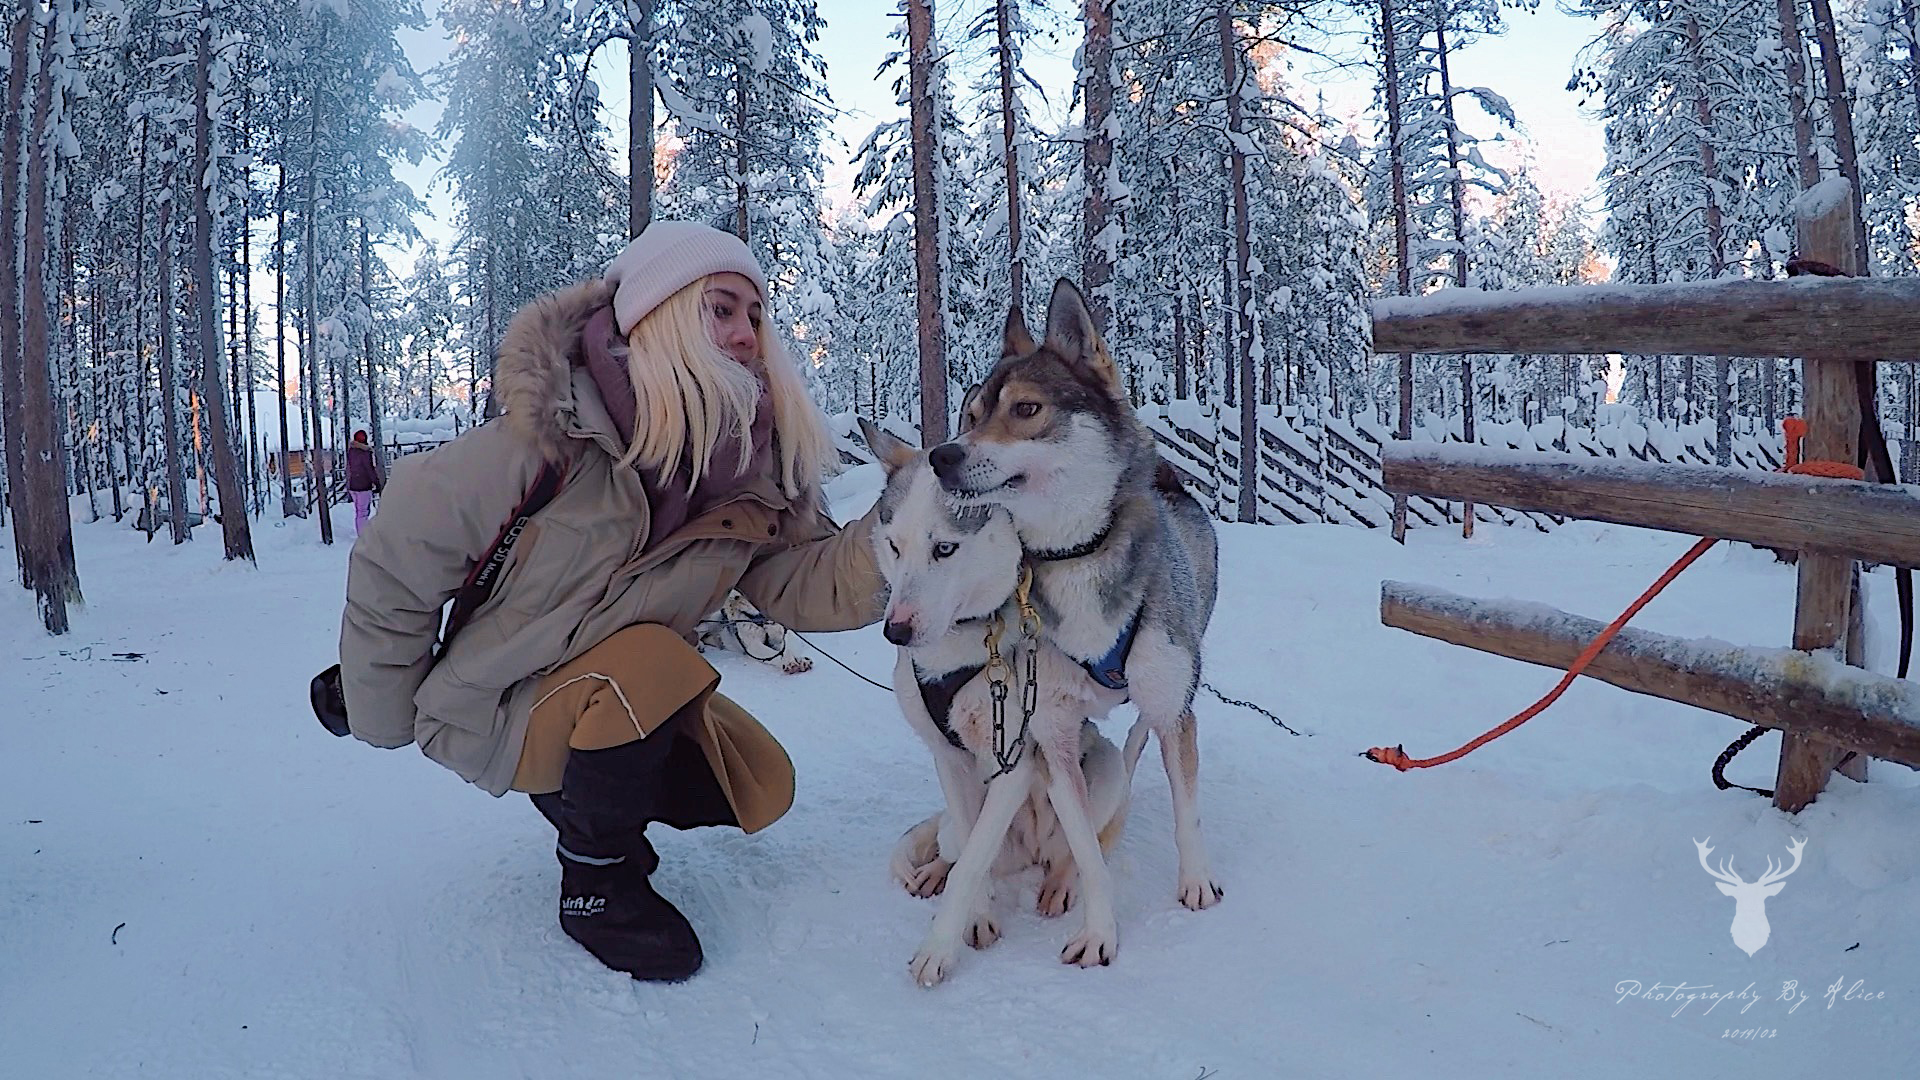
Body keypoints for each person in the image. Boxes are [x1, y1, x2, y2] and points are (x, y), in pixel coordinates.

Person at [337, 222, 886, 981]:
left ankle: (586, 803)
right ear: (659, 318)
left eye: (756, 317)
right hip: (491, 703)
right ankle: (597, 883)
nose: (745, 335)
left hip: (594, 695)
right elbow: (398, 559)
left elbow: (803, 581)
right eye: (720, 310)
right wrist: (382, 711)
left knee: (757, 777)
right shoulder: (551, 437)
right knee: (652, 664)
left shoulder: (750, 476)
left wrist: (904, 535)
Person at [345, 430, 383, 534]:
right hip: (364, 486)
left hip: (353, 485)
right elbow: (369, 469)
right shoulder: (366, 452)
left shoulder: (351, 451)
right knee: (363, 512)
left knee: (359, 511)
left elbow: (348, 468)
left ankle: (360, 531)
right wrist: (376, 482)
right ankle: (362, 534)